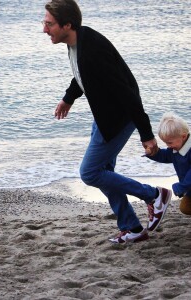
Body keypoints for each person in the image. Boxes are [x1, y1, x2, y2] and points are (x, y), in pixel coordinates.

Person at [42, 0, 172, 243]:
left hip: (119, 118)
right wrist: (69, 98)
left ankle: (154, 195)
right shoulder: (78, 42)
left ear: (67, 25)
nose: (44, 29)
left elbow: (127, 93)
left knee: (90, 173)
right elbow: (82, 74)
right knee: (104, 173)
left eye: (49, 24)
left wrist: (146, 134)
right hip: (105, 115)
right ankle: (132, 227)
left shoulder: (92, 51)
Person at [145, 112, 191, 215]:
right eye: (166, 143)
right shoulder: (175, 149)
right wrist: (153, 153)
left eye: (170, 143)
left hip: (187, 185)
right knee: (185, 208)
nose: (168, 146)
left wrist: (181, 187)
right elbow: (164, 156)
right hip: (189, 188)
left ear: (183, 137)